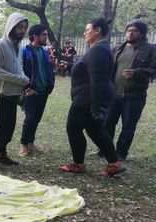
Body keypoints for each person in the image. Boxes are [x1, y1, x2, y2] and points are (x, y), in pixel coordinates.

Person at [60, 17, 126, 177]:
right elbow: (90, 71)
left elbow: (97, 79)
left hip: (87, 98)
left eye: (87, 29)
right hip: (90, 96)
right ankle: (114, 164)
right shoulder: (101, 49)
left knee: (73, 128)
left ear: (97, 30)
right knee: (95, 130)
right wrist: (70, 66)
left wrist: (95, 106)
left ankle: (77, 164)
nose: (84, 33)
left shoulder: (98, 50)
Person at [103, 20, 156, 160]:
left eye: (135, 30)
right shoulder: (119, 48)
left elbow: (153, 70)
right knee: (108, 123)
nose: (130, 33)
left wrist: (136, 72)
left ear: (142, 33)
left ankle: (121, 153)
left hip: (134, 95)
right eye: (128, 30)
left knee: (128, 126)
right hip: (114, 93)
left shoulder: (150, 49)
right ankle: (104, 149)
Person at [0, 13, 30, 169]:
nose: (22, 30)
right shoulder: (0, 45)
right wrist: (20, 79)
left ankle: (1, 154)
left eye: (24, 28)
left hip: (13, 93)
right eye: (19, 27)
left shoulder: (19, 47)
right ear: (11, 26)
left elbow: (20, 68)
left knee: (9, 126)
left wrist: (23, 79)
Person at [19, 24, 55, 156]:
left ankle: (30, 143)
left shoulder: (45, 52)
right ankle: (23, 145)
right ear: (35, 36)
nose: (46, 37)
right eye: (44, 34)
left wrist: (50, 84)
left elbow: (48, 70)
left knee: (37, 119)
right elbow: (20, 71)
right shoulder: (25, 51)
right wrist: (26, 88)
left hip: (43, 91)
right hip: (31, 91)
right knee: (30, 118)